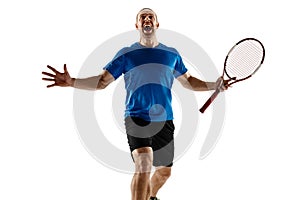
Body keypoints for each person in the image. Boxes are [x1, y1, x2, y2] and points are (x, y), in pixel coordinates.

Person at [42, 8, 228, 200]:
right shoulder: (127, 54)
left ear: (157, 24)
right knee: (144, 164)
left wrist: (215, 85)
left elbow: (189, 81)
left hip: (165, 120)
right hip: (136, 117)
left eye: (151, 17)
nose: (147, 19)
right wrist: (72, 81)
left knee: (164, 172)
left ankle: (151, 195)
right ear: (137, 25)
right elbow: (101, 82)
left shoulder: (171, 54)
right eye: (142, 17)